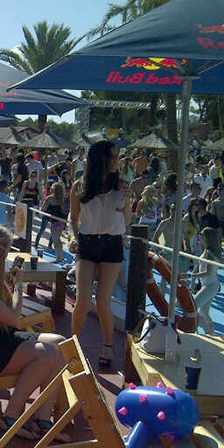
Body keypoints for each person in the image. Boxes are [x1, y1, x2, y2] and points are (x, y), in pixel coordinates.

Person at [0, 222, 66, 442]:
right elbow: (14, 319)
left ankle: (43, 419)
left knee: (61, 344)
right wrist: (19, 286)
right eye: (6, 252)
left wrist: (10, 284)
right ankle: (10, 417)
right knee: (48, 354)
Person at [70, 140, 131, 370]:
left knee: (103, 300)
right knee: (82, 300)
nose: (116, 160)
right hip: (87, 243)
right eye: (112, 156)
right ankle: (72, 346)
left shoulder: (121, 188)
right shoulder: (79, 187)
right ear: (100, 159)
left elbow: (127, 222)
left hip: (111, 244)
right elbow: (73, 218)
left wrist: (125, 203)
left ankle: (108, 346)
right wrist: (74, 238)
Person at [193, 226, 221, 335]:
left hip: (210, 285)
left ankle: (206, 332)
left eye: (201, 234)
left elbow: (208, 272)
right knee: (203, 312)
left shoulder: (209, 253)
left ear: (206, 237)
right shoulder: (206, 251)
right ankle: (210, 333)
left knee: (193, 306)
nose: (199, 235)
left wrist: (191, 276)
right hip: (208, 284)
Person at [34, 180, 67, 263]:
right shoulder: (62, 199)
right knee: (58, 239)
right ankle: (60, 256)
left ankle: (58, 257)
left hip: (55, 222)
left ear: (52, 190)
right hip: (62, 221)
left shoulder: (50, 198)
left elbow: (43, 209)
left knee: (56, 240)